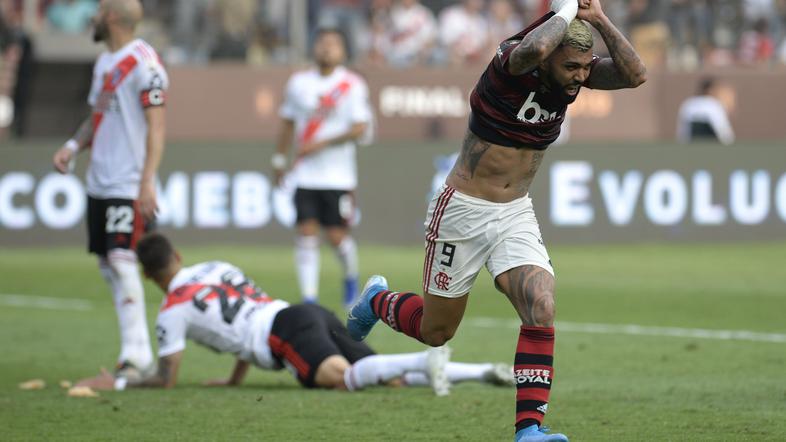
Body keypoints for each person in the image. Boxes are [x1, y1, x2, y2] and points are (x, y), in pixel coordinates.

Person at [347, 1, 646, 441]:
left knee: (541, 306)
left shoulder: (572, 75)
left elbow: (635, 74)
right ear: (549, 56)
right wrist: (564, 9)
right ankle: (377, 301)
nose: (581, 77)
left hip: (515, 211)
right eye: (572, 67)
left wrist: (598, 19)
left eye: (586, 67)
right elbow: (534, 47)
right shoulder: (510, 64)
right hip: (463, 210)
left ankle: (529, 430)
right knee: (436, 332)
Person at [74, 233, 516, 395]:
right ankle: (482, 372)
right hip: (302, 313)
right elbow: (245, 313)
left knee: (341, 379)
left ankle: (426, 360)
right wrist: (233, 379)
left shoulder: (171, 311)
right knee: (384, 378)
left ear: (150, 276)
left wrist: (124, 382)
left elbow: (166, 377)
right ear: (178, 254)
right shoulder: (215, 267)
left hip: (282, 333)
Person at [51, 0, 168, 380]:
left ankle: (140, 356)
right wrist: (72, 145)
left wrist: (146, 181)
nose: (94, 17)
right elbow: (97, 115)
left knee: (122, 260)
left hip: (128, 182)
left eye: (100, 10)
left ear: (113, 17)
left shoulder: (145, 63)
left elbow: (157, 127)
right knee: (107, 266)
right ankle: (130, 351)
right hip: (99, 182)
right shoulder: (104, 63)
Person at [272, 28, 373, 308]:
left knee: (337, 237)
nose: (327, 48)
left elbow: (360, 127)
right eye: (322, 43)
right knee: (305, 233)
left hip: (338, 176)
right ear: (314, 47)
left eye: (333, 44)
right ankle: (309, 298)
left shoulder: (352, 84)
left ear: (343, 51)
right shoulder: (299, 82)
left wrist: (323, 143)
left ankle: (351, 277)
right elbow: (287, 122)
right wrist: (279, 160)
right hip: (305, 173)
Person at [676, 77, 735, 145]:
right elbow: (723, 130)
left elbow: (683, 131)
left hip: (693, 147)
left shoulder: (688, 103)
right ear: (710, 90)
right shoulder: (714, 104)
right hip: (712, 147)